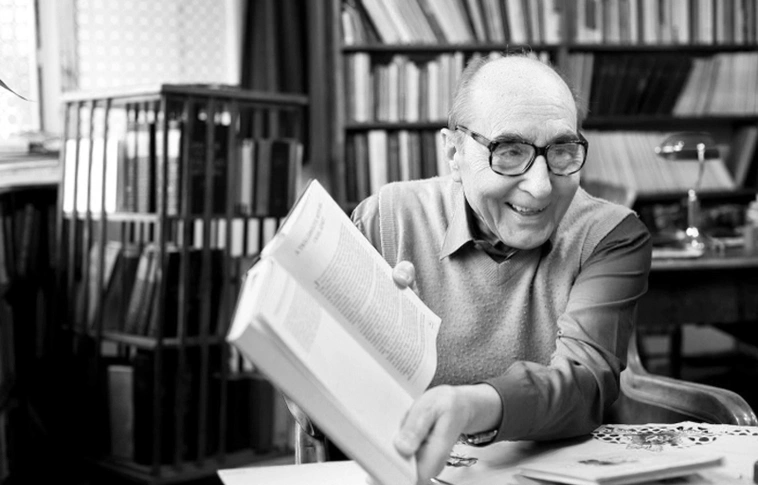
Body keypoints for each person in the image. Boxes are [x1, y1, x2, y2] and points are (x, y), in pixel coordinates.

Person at [350, 52, 652, 484]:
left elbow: (585, 384)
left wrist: (471, 406)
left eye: (562, 151)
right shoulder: (386, 219)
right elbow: (314, 382)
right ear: (453, 152)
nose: (541, 187)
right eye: (509, 152)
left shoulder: (611, 234)